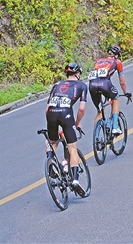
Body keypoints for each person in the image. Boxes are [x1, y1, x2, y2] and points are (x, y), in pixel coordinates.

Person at [46, 63, 88, 196]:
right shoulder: (82, 86)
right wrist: (77, 123)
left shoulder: (57, 85)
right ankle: (75, 180)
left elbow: (47, 109)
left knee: (52, 142)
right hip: (66, 114)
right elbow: (81, 108)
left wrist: (52, 120)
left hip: (51, 114)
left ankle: (51, 164)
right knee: (72, 148)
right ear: (78, 74)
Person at [89, 45, 131, 135]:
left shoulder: (98, 61)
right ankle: (115, 127)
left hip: (92, 85)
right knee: (116, 98)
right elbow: (122, 82)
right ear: (116, 55)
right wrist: (126, 93)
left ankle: (97, 137)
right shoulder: (117, 62)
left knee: (100, 111)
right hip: (105, 85)